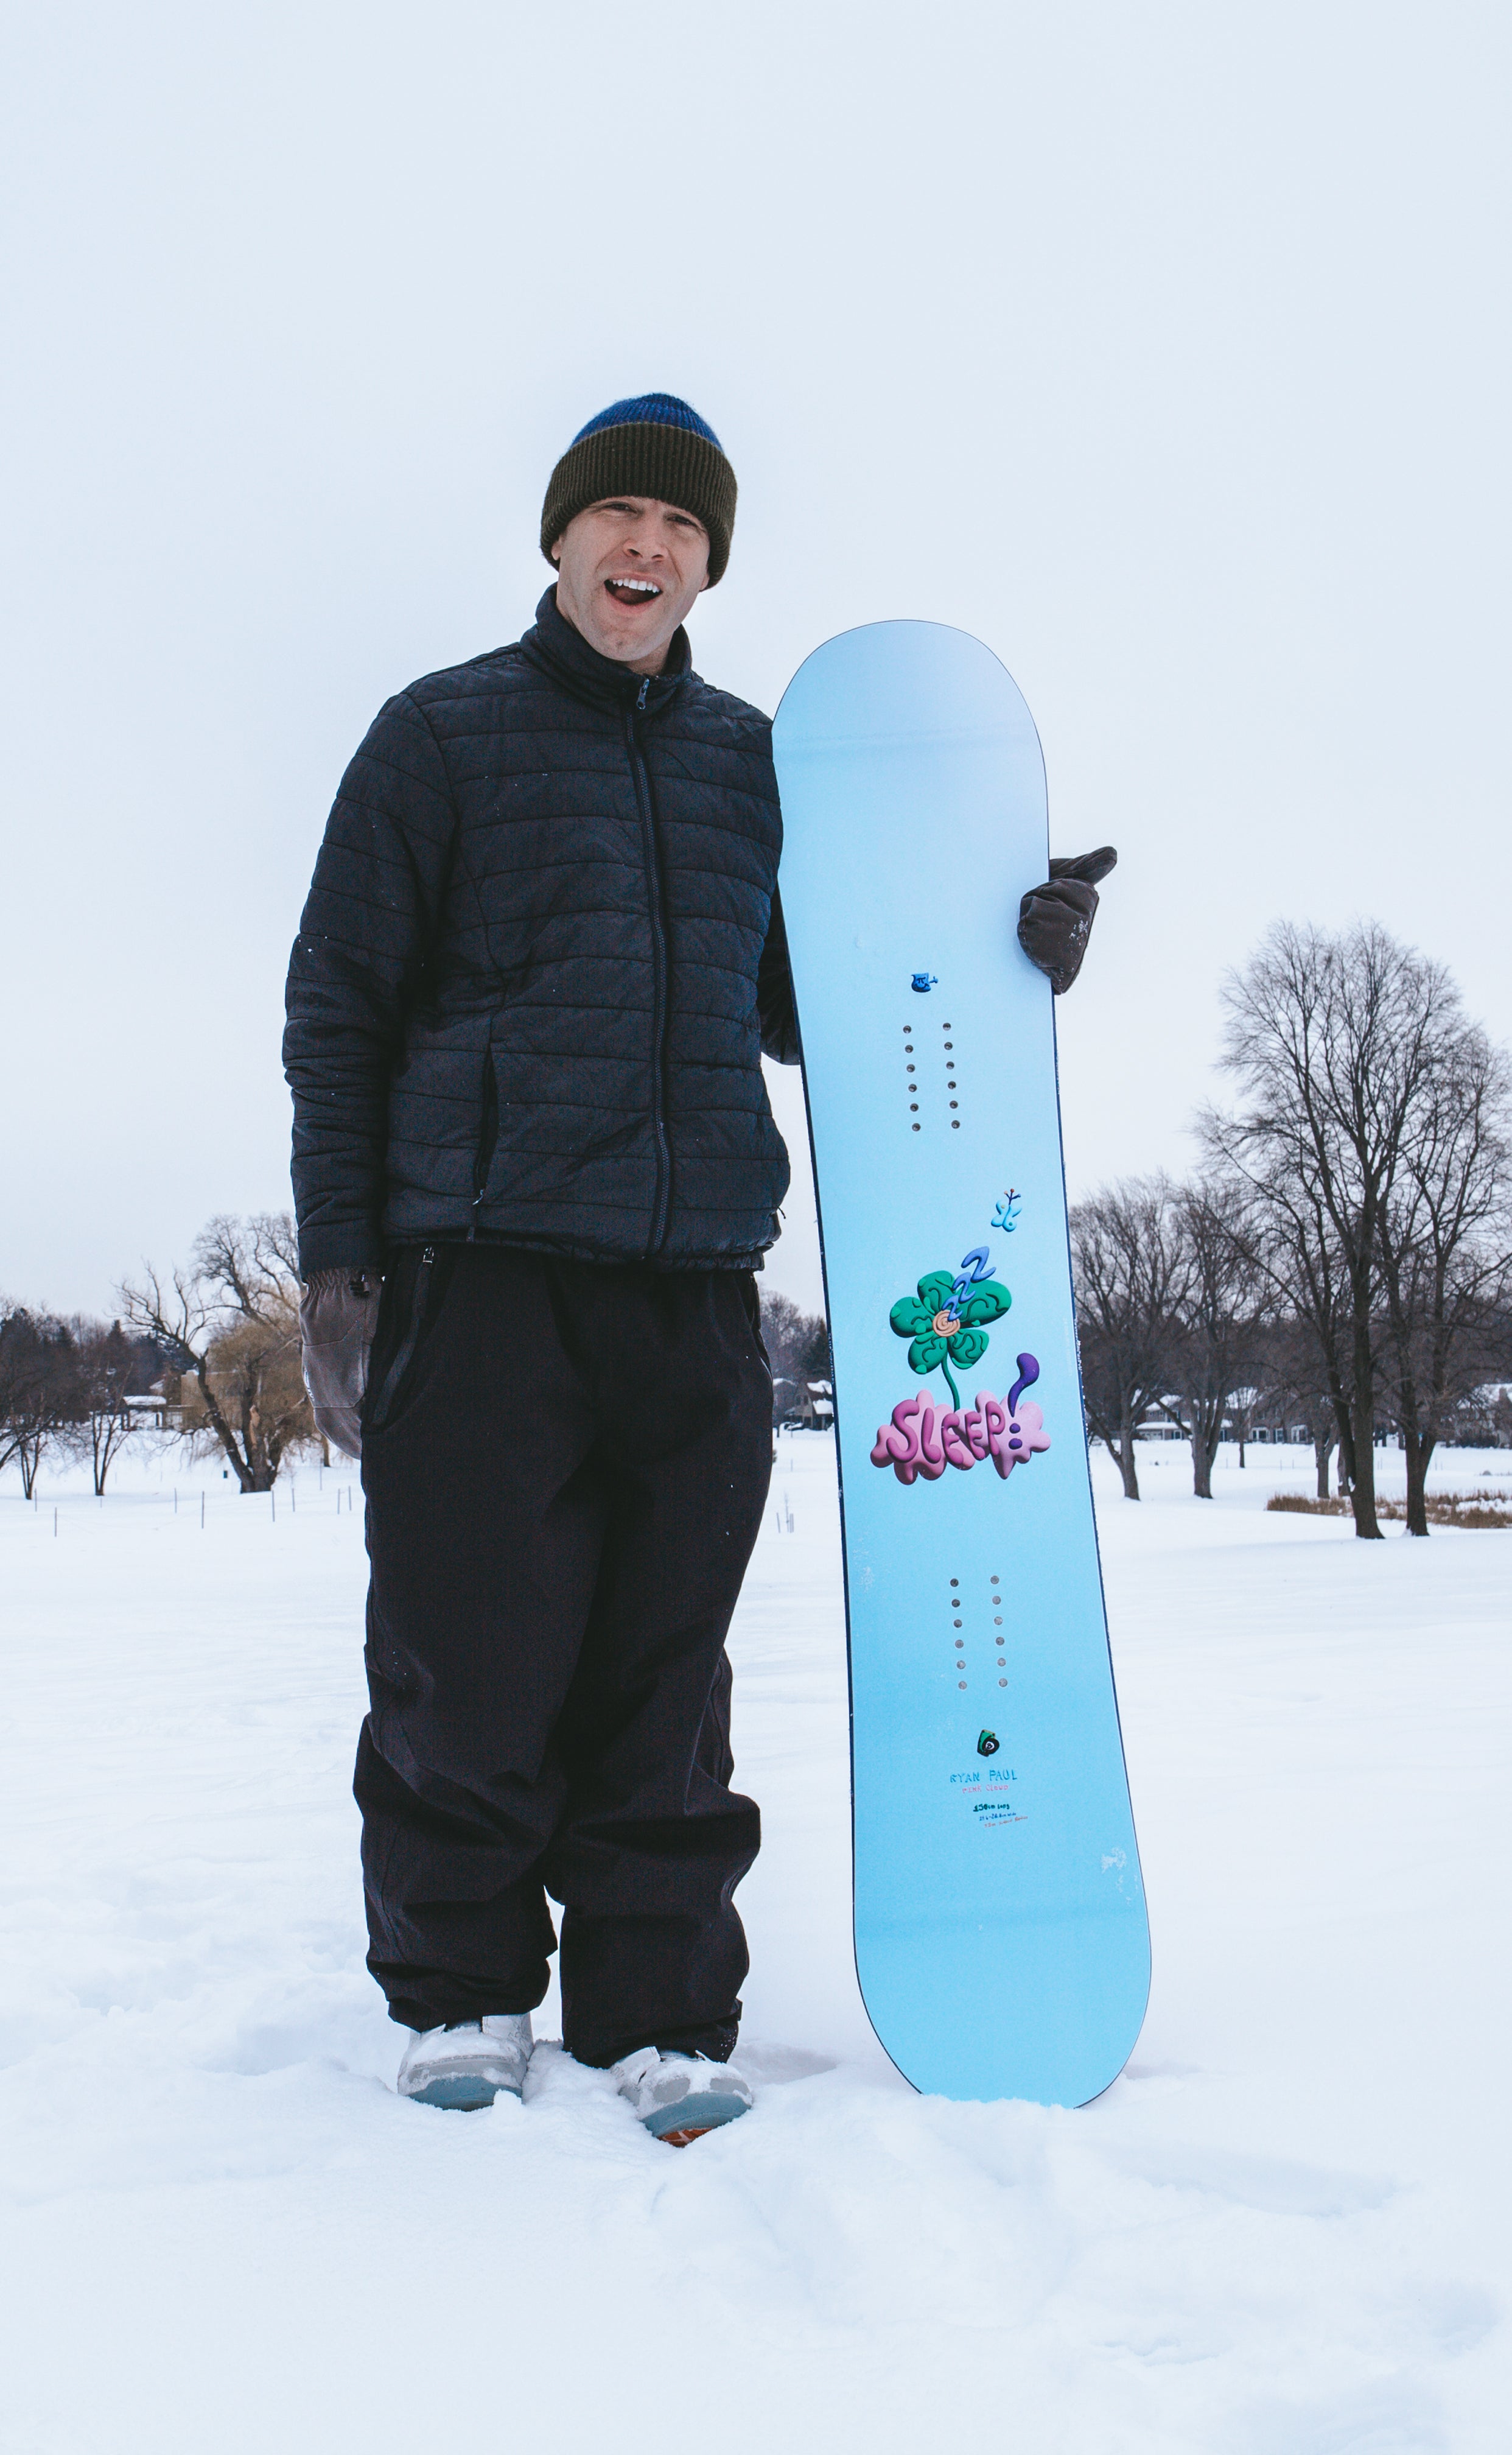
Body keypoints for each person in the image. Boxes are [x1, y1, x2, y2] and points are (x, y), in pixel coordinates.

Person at [284, 392, 1112, 2144]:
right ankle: (463, 1994)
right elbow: (338, 1009)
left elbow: (831, 1001)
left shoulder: (761, 762)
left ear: (707, 561)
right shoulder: (440, 740)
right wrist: (342, 1273)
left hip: (687, 1290)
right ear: (562, 540)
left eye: (679, 526)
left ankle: (659, 2015)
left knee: (666, 1675)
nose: (643, 548)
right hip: (484, 1273)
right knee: (467, 1663)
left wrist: (1007, 940)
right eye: (617, 517)